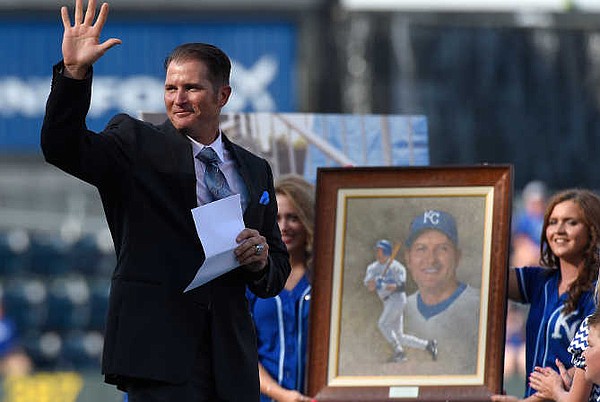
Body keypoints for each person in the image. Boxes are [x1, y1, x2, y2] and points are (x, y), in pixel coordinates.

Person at [40, 1, 291, 400]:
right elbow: (62, 147)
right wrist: (74, 73)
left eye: (192, 87)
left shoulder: (254, 169)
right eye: (171, 88)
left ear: (223, 94)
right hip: (158, 352)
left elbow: (276, 268)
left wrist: (260, 258)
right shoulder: (135, 143)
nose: (179, 98)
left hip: (230, 359)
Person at [491, 189, 600, 402]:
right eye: (552, 222)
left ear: (593, 230)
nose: (559, 230)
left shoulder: (597, 292)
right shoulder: (541, 281)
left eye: (571, 222)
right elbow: (489, 278)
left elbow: (584, 368)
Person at [246, 174, 314, 402]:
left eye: (293, 217)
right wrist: (281, 395)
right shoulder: (252, 279)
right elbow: (243, 352)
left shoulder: (326, 281)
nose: (284, 227)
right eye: (277, 218)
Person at [403, 209, 480, 374]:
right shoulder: (400, 310)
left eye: (442, 249)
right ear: (408, 258)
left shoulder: (480, 306)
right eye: (421, 249)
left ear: (457, 257)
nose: (431, 259)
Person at [363, 239, 437, 363]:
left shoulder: (397, 267)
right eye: (377, 250)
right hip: (386, 301)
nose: (378, 252)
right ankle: (428, 345)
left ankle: (399, 352)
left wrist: (384, 284)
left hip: (396, 299)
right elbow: (370, 287)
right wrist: (376, 282)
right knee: (399, 336)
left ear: (387, 252)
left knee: (383, 324)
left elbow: (401, 287)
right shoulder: (372, 267)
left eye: (380, 250)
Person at [511, 180, 548, 267]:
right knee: (522, 256)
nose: (536, 206)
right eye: (533, 203)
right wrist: (534, 251)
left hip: (546, 253)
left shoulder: (550, 218)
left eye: (539, 202)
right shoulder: (523, 219)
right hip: (530, 252)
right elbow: (519, 239)